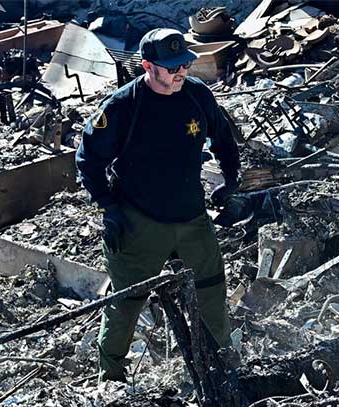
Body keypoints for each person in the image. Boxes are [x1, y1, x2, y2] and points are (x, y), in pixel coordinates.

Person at [76, 28, 244, 382]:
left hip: (191, 216)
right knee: (127, 300)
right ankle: (111, 374)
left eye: (183, 64)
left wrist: (231, 181)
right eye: (171, 67)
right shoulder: (123, 107)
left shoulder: (198, 95)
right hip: (139, 221)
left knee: (211, 288)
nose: (180, 72)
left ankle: (221, 362)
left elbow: (224, 138)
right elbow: (88, 159)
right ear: (148, 67)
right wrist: (108, 207)